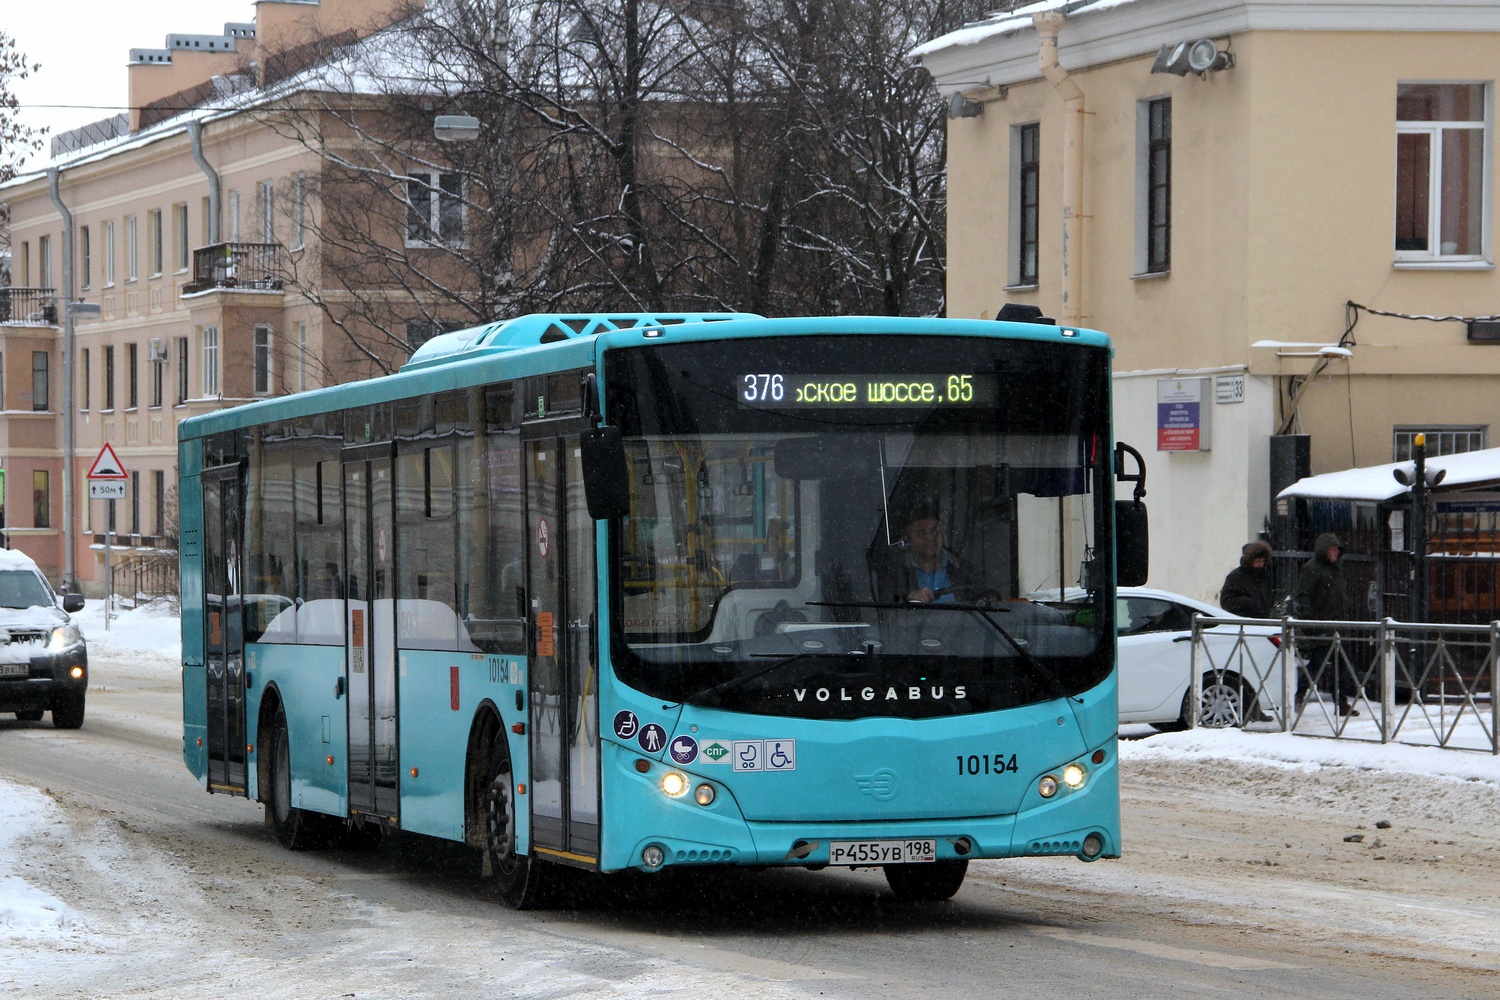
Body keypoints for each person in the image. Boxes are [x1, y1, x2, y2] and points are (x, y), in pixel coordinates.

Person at [1293, 532, 1359, 716]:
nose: (1336, 553)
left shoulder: (1337, 569)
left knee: (1341, 666)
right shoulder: (1312, 569)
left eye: (1337, 549)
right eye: (1332, 549)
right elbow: (1303, 596)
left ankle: (1342, 702)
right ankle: (1300, 693)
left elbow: (1339, 596)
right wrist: (1309, 621)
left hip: (1338, 625)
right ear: (1324, 551)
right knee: (1317, 665)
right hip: (1321, 625)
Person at [890, 500, 978, 603]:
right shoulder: (895, 575)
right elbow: (886, 611)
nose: (930, 537)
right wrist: (908, 598)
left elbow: (986, 603)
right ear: (907, 538)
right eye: (921, 533)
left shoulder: (966, 571)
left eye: (934, 530)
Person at [1220, 541, 1275, 618]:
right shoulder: (1235, 576)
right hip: (1243, 622)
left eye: (1263, 561)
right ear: (1249, 561)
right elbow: (1225, 602)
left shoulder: (1264, 575)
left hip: (1262, 621)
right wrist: (1248, 602)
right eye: (1258, 561)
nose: (1261, 564)